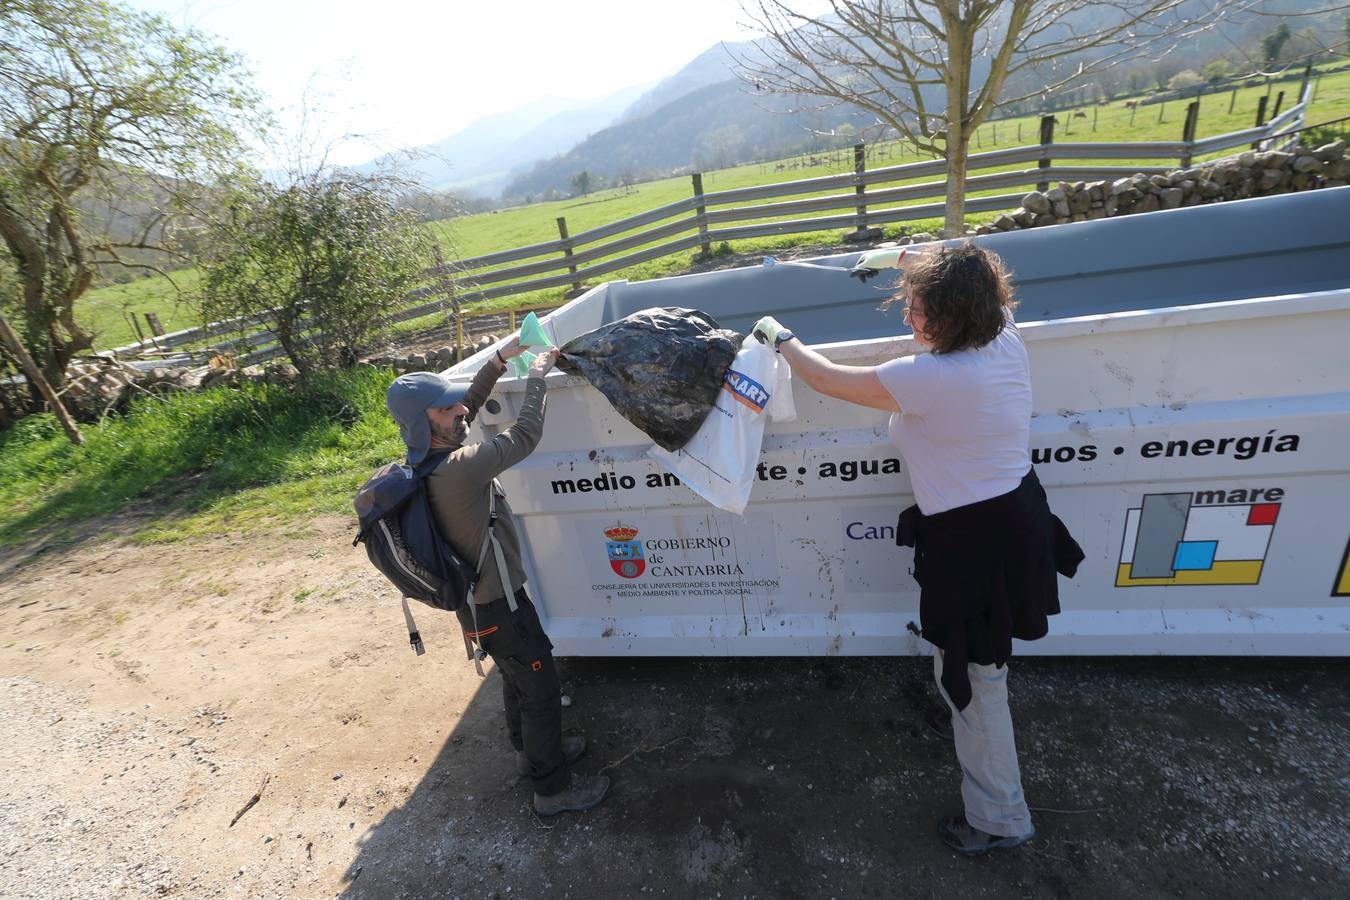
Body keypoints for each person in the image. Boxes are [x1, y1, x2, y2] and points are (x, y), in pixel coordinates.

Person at [752, 241, 1082, 856]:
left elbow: (825, 378)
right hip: (1012, 518)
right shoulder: (1004, 335)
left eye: (917, 309)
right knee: (977, 670)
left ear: (953, 315)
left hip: (977, 544)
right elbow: (966, 259)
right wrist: (898, 256)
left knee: (979, 680)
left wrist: (779, 337)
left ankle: (1001, 818)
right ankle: (970, 731)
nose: (908, 318)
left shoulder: (931, 376)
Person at [385, 339, 610, 817]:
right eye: (447, 408)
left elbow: (464, 406)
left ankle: (529, 758)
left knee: (515, 679)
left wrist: (500, 359)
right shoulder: (462, 470)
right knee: (541, 690)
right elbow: (525, 434)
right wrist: (537, 376)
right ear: (427, 420)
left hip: (478, 606)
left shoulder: (425, 461)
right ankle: (551, 791)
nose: (461, 409)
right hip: (501, 605)